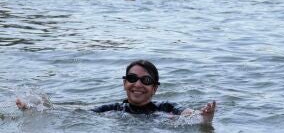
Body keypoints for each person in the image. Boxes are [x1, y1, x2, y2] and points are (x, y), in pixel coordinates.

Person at [16, 60, 216, 124]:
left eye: (145, 80)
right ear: (124, 84)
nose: (137, 84)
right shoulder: (114, 108)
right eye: (131, 79)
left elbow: (187, 114)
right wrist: (37, 108)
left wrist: (203, 117)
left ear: (154, 88)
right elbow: (77, 113)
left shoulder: (165, 107)